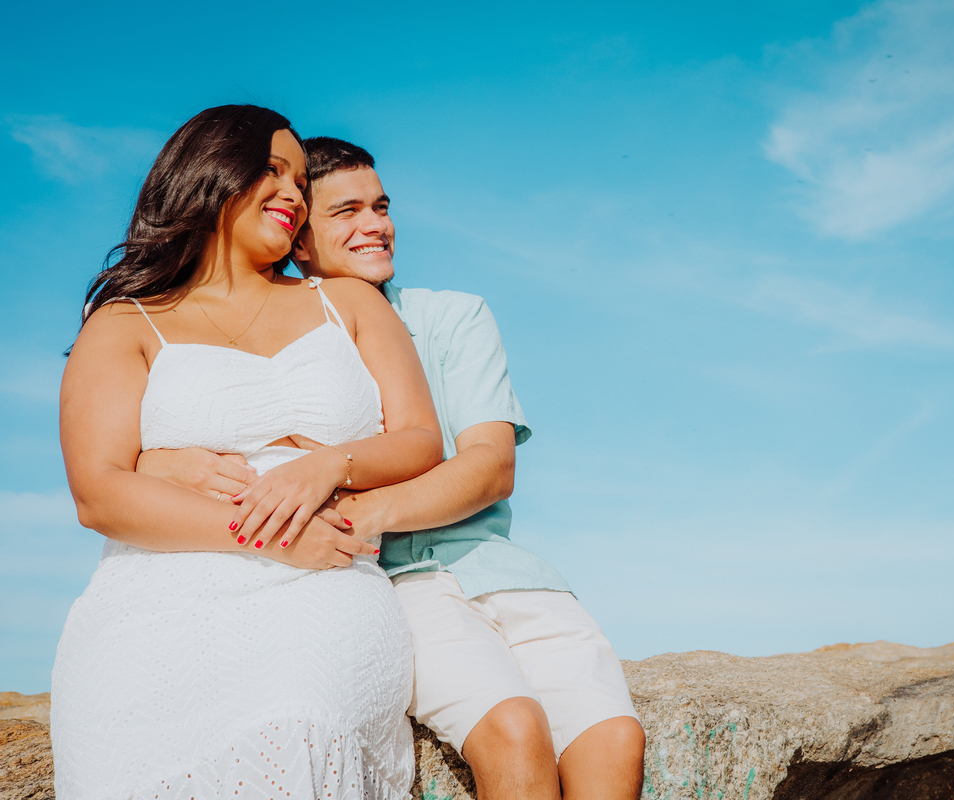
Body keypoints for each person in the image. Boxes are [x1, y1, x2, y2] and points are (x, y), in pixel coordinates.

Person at [138, 137, 647, 799]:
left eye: (380, 206)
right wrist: (158, 458)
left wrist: (349, 506)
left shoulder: (450, 316)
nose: (376, 224)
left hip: (497, 568)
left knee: (615, 737)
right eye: (347, 211)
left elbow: (490, 468)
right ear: (297, 236)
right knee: (514, 727)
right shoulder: (269, 337)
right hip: (394, 584)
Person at [52, 106, 443, 799]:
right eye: (273, 170)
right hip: (156, 599)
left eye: (299, 180)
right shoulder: (124, 321)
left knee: (300, 716)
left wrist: (332, 464)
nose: (294, 194)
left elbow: (419, 440)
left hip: (323, 581)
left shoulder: (346, 302)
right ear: (209, 173)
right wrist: (267, 538)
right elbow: (98, 492)